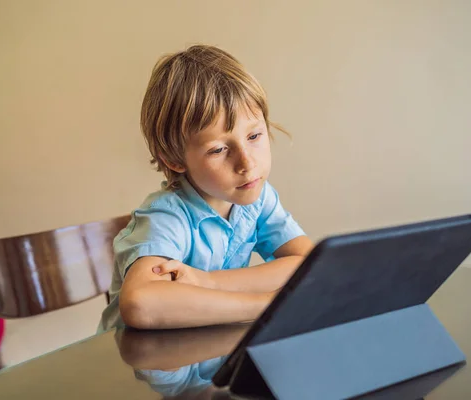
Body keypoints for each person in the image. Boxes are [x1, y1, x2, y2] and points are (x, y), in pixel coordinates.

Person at [98, 44, 313, 331]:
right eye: (219, 150)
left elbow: (308, 264)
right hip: (136, 368)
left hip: (205, 356)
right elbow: (141, 303)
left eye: (254, 135)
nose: (247, 164)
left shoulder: (259, 199)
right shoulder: (166, 216)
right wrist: (266, 305)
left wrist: (208, 282)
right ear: (174, 160)